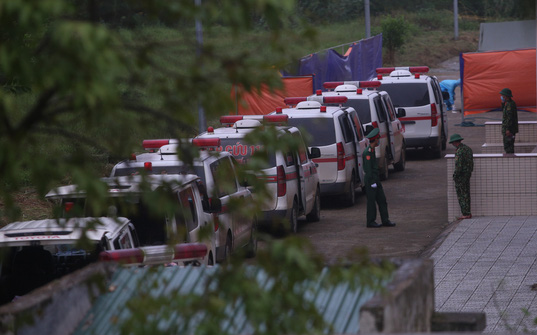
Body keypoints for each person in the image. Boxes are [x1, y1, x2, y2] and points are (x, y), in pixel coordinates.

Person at [362, 128, 396, 228]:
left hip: (376, 179)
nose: (379, 141)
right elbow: (368, 170)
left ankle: (385, 220)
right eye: (378, 139)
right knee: (371, 202)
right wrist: (372, 182)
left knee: (382, 200)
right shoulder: (367, 153)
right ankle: (370, 221)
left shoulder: (371, 151)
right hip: (371, 180)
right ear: (375, 140)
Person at [449, 133, 473, 220]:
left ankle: (465, 213)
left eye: (453, 143)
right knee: (467, 193)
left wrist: (455, 176)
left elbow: (458, 166)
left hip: (461, 176)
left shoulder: (459, 151)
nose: (452, 145)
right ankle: (468, 212)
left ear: (455, 142)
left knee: (461, 195)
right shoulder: (468, 149)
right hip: (467, 174)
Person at [500, 88, 518, 154]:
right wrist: (502, 103)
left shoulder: (509, 105)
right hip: (510, 128)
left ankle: (510, 158)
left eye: (503, 95)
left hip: (509, 129)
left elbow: (509, 118)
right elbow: (504, 112)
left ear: (506, 96)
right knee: (509, 145)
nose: (501, 97)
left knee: (508, 146)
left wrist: (507, 129)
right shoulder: (508, 103)